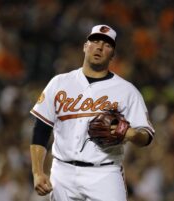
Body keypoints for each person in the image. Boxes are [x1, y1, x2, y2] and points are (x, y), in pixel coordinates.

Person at [29, 24, 155, 201]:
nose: (100, 47)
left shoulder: (127, 90)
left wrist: (132, 134)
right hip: (62, 173)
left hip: (105, 173)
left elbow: (147, 136)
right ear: (85, 46)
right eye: (95, 41)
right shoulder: (59, 83)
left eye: (107, 45)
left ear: (113, 55)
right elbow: (41, 129)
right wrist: (37, 172)